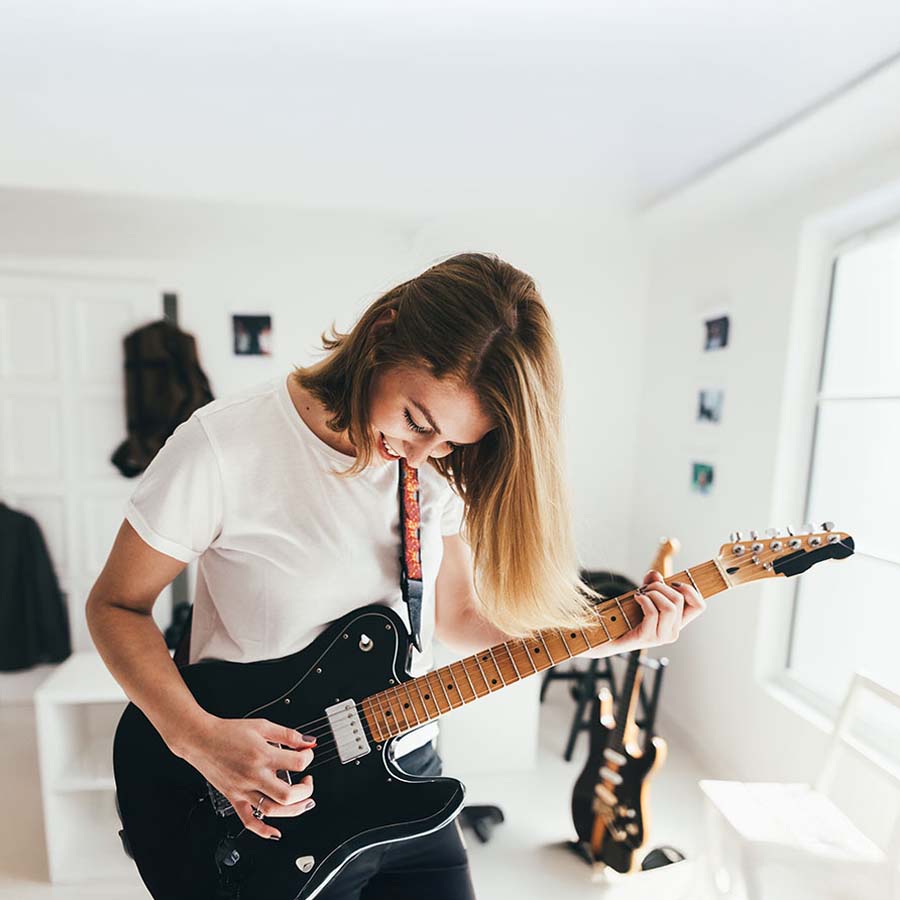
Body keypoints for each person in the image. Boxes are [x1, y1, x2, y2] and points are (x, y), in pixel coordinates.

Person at [87, 252, 706, 899]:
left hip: (404, 772)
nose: (422, 454)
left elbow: (458, 618)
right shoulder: (224, 445)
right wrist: (198, 738)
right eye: (417, 420)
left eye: (451, 443)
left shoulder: (431, 475)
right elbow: (115, 606)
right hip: (267, 792)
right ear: (382, 335)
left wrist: (598, 637)